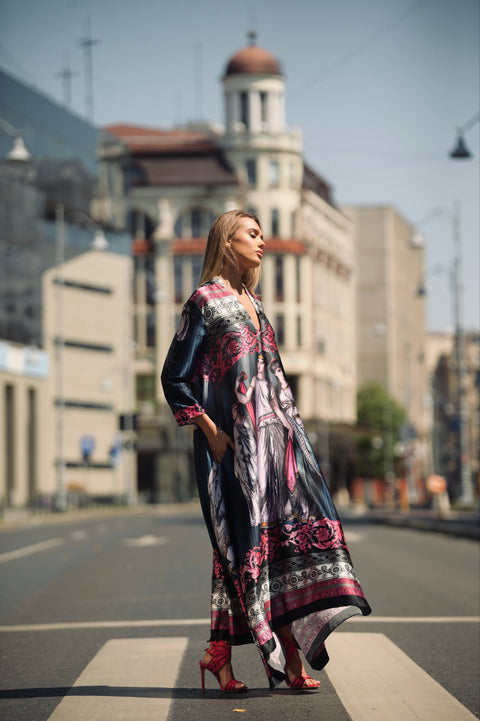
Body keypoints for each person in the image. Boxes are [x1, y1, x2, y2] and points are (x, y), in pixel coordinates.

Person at [161, 210, 371, 693]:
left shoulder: (253, 301)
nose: (262, 242)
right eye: (252, 234)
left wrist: (295, 440)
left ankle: (236, 656)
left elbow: (272, 382)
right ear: (226, 241)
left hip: (279, 446)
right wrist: (210, 429)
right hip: (235, 451)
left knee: (280, 545)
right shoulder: (205, 302)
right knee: (245, 547)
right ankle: (261, 661)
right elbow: (174, 377)